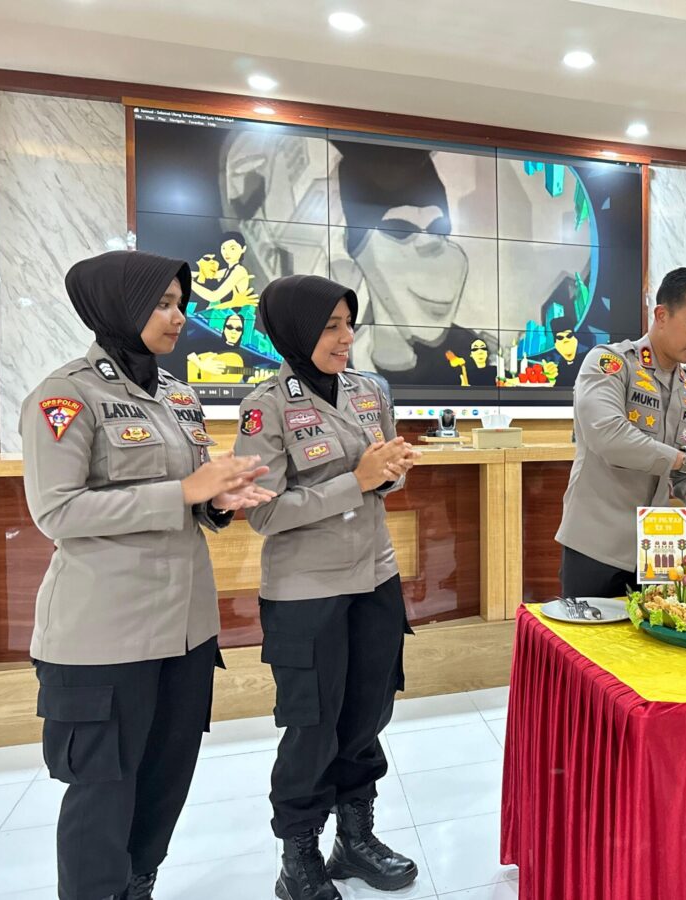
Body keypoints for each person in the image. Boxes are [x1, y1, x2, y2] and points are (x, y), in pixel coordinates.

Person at [20, 250, 273, 900]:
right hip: (104, 637)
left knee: (165, 781)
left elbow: (194, 497)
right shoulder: (66, 395)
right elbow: (58, 511)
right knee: (102, 795)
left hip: (185, 631)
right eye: (161, 304)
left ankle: (138, 886)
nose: (178, 317)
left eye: (180, 303)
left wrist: (219, 499)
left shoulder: (178, 395)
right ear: (119, 306)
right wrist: (185, 491)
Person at [233, 274, 422, 900]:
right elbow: (262, 512)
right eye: (330, 326)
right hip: (306, 592)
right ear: (294, 330)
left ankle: (355, 839)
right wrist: (357, 481)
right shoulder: (266, 407)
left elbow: (383, 476)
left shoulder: (369, 390)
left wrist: (390, 471)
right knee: (312, 726)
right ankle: (299, 856)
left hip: (376, 576)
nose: (345, 338)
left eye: (349, 324)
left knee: (368, 713)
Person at [556, 267, 686, 598]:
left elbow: (677, 473)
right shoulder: (611, 364)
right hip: (597, 544)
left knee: (658, 631)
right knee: (591, 632)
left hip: (658, 550)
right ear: (662, 315)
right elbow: (608, 435)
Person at [333, 141, 483, 384]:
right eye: (400, 230)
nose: (430, 247)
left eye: (439, 230)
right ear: (356, 247)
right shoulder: (332, 361)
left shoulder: (472, 352)